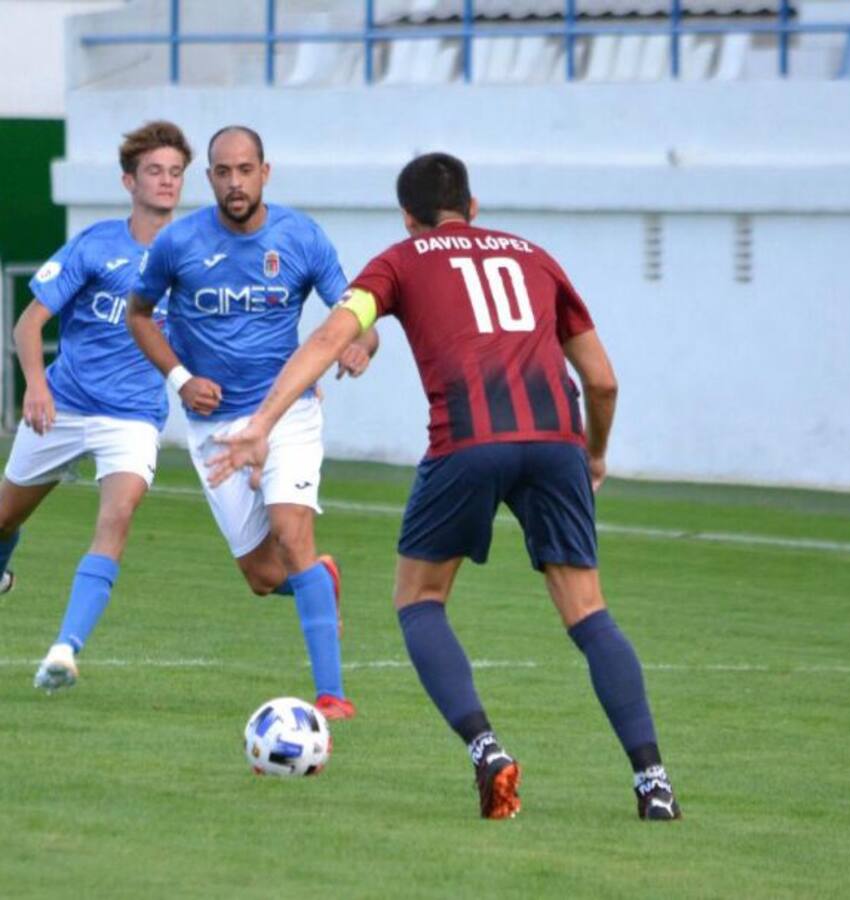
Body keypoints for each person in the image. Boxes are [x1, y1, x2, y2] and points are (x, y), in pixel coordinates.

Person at [207, 152, 682, 820]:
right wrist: (594, 455)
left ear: (407, 217)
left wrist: (262, 423)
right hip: (556, 444)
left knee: (420, 599)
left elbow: (331, 336)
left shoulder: (400, 261)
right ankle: (653, 781)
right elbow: (602, 380)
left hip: (468, 442)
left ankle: (487, 750)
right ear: (474, 205)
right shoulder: (536, 258)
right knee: (588, 612)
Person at [127, 125, 377, 720]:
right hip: (214, 425)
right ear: (208, 176)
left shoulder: (300, 236)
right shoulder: (177, 242)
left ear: (266, 172)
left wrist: (363, 343)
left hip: (287, 411)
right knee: (264, 576)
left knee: (293, 536)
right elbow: (139, 316)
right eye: (222, 171)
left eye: (245, 170)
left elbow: (357, 311)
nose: (234, 182)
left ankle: (331, 695)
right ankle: (318, 579)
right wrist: (180, 378)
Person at [0, 121, 192, 692]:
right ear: (129, 181)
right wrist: (36, 385)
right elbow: (29, 324)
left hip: (132, 417)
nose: (166, 181)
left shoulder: (195, 256)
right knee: (7, 517)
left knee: (119, 515)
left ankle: (64, 650)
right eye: (154, 171)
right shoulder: (95, 245)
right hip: (64, 403)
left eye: (176, 172)